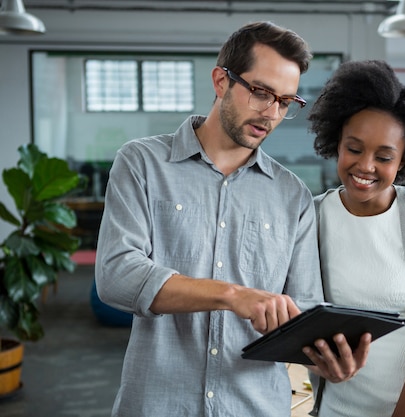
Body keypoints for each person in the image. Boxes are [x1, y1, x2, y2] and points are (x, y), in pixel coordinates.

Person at [95, 21, 369, 417]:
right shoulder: (142, 164)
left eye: (285, 102)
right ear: (221, 81)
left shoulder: (292, 196)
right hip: (157, 405)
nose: (271, 113)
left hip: (255, 406)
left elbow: (303, 314)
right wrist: (232, 295)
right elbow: (117, 275)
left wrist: (326, 361)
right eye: (261, 92)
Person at [307, 60, 405, 417]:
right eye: (354, 149)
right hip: (337, 408)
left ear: (403, 159)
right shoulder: (310, 219)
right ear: (337, 142)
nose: (365, 166)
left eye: (383, 156)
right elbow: (301, 319)